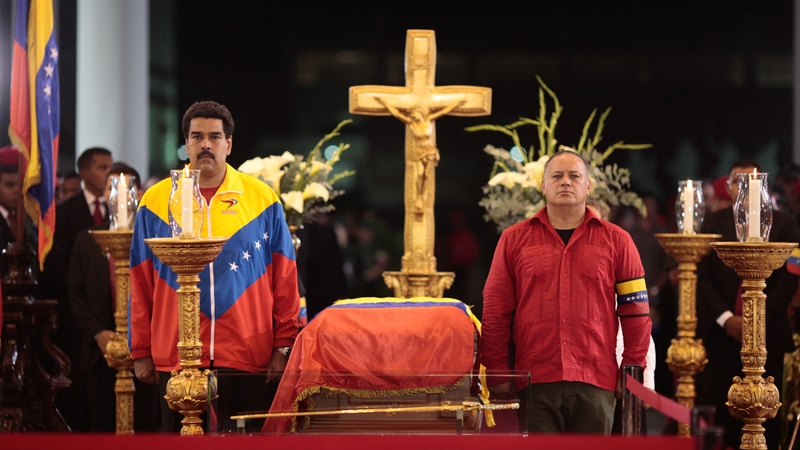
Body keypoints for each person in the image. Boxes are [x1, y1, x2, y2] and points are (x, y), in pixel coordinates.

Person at [129, 100, 300, 432]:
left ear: (229, 143)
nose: (205, 144)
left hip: (246, 354)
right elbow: (139, 282)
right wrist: (140, 349)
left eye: (214, 137)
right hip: (174, 356)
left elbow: (286, 281)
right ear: (186, 144)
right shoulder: (155, 201)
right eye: (197, 137)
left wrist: (283, 346)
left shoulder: (262, 200)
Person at [482, 150, 652, 434]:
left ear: (588, 186)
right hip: (535, 378)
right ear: (543, 185)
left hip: (596, 379)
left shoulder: (619, 241)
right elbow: (495, 309)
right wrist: (498, 369)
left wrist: (631, 369)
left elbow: (637, 312)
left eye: (574, 176)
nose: (565, 182)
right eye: (557, 176)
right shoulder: (513, 240)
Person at [696, 159, 799, 449]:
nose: (744, 189)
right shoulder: (712, 224)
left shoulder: (785, 224)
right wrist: (727, 319)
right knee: (720, 415)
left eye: (752, 183)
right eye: (738, 183)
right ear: (728, 188)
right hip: (722, 337)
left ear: (764, 188)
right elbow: (701, 279)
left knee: (766, 416)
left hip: (769, 336)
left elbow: (790, 279)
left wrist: (756, 320)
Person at [68, 163, 159, 432]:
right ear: (104, 193)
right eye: (112, 188)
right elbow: (75, 293)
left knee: (146, 427)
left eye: (127, 188)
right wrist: (97, 333)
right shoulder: (87, 239)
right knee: (102, 426)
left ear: (139, 193)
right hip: (101, 351)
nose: (119, 195)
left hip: (146, 352)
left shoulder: (153, 240)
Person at [41, 146, 113, 431]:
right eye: (101, 168)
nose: (108, 174)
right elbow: (59, 264)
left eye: (110, 167)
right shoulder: (65, 212)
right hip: (78, 315)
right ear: (84, 172)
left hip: (113, 315)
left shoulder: (118, 208)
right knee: (82, 394)